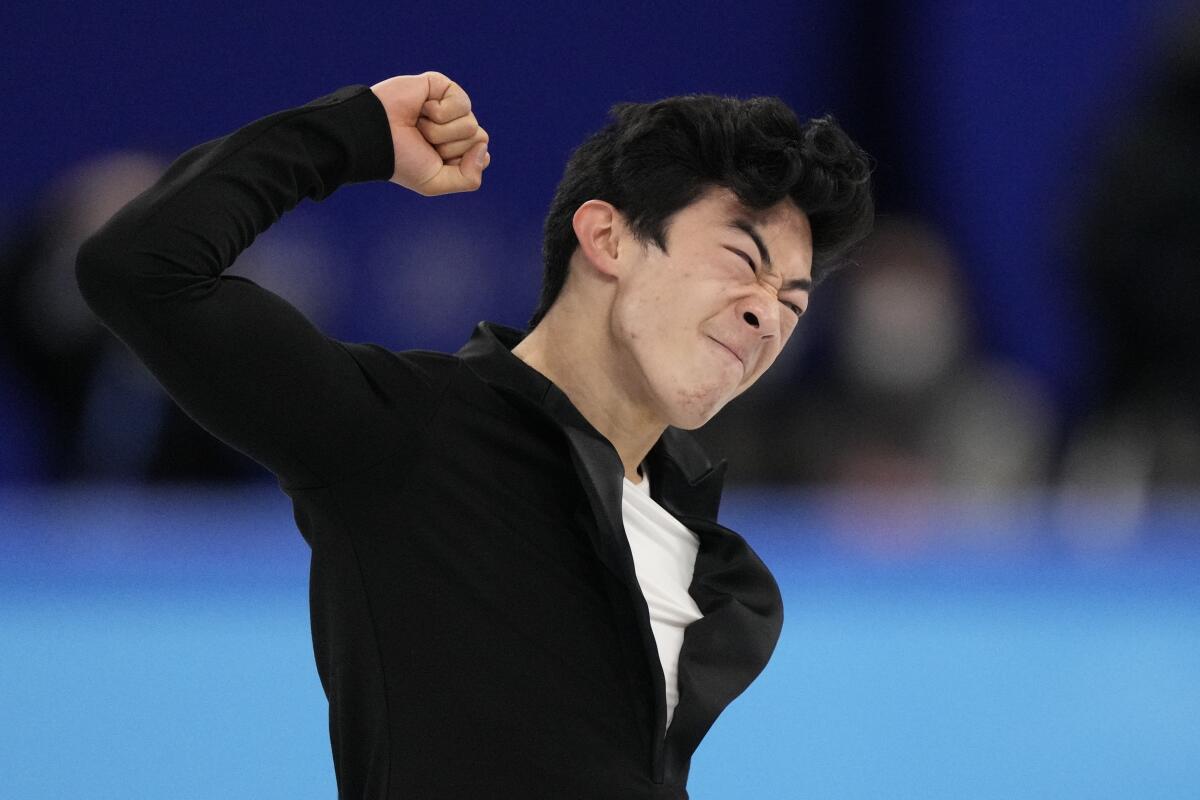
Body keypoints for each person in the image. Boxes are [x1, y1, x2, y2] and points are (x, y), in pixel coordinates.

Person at [76, 71, 873, 799]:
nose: (767, 314)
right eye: (741, 258)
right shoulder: (408, 433)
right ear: (608, 239)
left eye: (793, 303)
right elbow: (142, 268)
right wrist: (349, 133)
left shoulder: (715, 567)